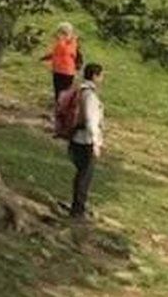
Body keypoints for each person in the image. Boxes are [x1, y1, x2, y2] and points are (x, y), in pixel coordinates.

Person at [69, 63, 105, 221]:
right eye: (101, 75)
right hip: (86, 140)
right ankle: (78, 210)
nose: (103, 79)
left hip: (76, 137)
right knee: (85, 176)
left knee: (81, 174)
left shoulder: (79, 90)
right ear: (95, 76)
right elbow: (91, 121)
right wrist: (96, 143)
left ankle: (78, 206)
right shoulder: (90, 95)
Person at [41, 22, 81, 102]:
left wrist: (61, 41)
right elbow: (57, 53)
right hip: (57, 70)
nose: (60, 35)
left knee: (64, 93)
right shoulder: (60, 43)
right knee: (58, 92)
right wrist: (47, 57)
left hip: (67, 72)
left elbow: (67, 51)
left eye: (63, 33)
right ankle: (58, 109)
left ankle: (63, 110)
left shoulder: (72, 43)